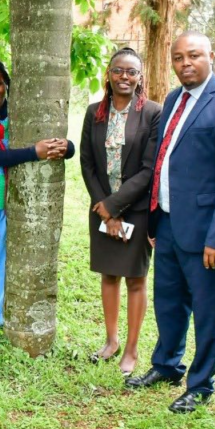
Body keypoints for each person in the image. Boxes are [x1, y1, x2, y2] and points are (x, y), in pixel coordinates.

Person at [125, 31, 215, 415]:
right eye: (178, 57)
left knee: (206, 310)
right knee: (168, 301)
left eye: (194, 55)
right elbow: (165, 161)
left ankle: (201, 384)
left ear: (211, 56)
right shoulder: (173, 99)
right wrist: (154, 219)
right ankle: (166, 365)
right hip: (166, 223)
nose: (185, 63)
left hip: (207, 234)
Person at [0, 59, 72, 332]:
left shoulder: (19, 116)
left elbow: (50, 142)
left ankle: (2, 318)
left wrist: (67, 147)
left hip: (12, 205)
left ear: (6, 84)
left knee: (10, 266)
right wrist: (35, 152)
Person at [78, 48, 161, 376]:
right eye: (118, 71)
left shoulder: (152, 113)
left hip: (136, 211)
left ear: (140, 77)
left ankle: (131, 349)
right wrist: (104, 209)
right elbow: (86, 163)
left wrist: (115, 207)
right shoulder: (93, 112)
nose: (124, 77)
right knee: (109, 275)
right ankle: (111, 342)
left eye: (131, 72)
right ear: (108, 74)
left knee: (136, 279)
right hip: (101, 209)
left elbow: (148, 168)